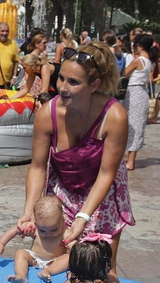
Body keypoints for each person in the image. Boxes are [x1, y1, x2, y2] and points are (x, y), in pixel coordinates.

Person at [19, 41, 135, 264]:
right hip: (62, 193)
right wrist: (29, 210)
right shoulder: (48, 113)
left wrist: (84, 217)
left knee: (100, 270)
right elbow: (37, 167)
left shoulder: (114, 116)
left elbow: (106, 174)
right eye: (61, 78)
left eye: (73, 82)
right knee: (53, 263)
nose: (63, 87)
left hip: (102, 200)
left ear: (94, 85)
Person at [0, 195, 65, 283]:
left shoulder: (65, 233)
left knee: (68, 258)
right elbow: (16, 229)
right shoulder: (34, 227)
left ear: (63, 221)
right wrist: (1, 243)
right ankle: (21, 275)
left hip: (54, 261)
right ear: (35, 222)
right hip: (34, 258)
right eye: (42, 230)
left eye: (54, 230)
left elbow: (74, 248)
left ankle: (47, 271)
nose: (48, 234)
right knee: (21, 253)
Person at [124, 33, 159, 171]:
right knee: (137, 127)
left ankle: (130, 161)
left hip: (133, 93)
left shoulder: (138, 61)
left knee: (131, 126)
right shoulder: (150, 61)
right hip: (142, 93)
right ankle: (131, 159)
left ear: (139, 46)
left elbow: (123, 74)